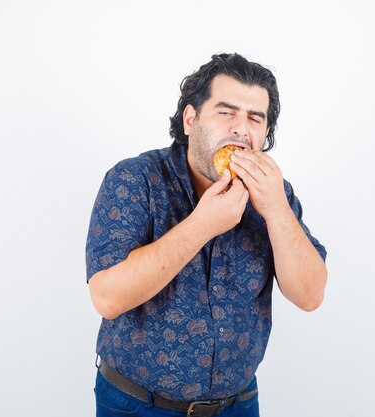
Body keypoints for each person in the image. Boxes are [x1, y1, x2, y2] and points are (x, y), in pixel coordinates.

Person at [85, 53, 328, 417]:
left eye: (255, 118)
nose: (240, 129)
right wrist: (203, 224)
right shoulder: (136, 180)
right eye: (225, 112)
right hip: (138, 405)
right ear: (190, 119)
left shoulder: (275, 193)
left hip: (238, 405)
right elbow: (107, 297)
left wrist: (276, 209)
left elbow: (310, 295)